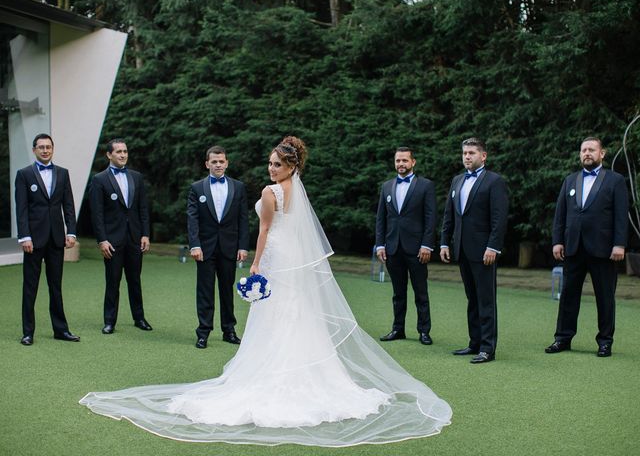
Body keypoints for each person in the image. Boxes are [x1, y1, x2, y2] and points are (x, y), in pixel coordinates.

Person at [79, 136, 452, 446]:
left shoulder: (271, 192)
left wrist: (256, 264)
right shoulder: (296, 191)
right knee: (294, 312)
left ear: (291, 167)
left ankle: (275, 373)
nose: (272, 169)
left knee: (279, 313)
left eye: (278, 164)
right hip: (293, 258)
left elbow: (265, 231)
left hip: (275, 257)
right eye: (271, 163)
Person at [545, 137, 629, 357]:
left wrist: (619, 244)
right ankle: (562, 338)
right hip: (573, 248)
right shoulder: (570, 180)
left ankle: (605, 341)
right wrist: (557, 241)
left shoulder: (615, 180)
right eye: (583, 150)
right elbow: (560, 215)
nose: (587, 153)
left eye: (592, 149)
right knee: (568, 296)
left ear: (602, 153)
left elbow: (621, 215)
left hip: (603, 249)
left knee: (605, 296)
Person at [440, 138, 508, 364]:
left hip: (484, 251)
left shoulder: (494, 181)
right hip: (461, 249)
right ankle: (474, 343)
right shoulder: (457, 180)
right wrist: (443, 242)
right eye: (464, 153)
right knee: (472, 298)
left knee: (486, 299)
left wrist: (493, 247)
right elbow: (449, 215)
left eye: (471, 153)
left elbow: (499, 219)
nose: (467, 157)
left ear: (483, 156)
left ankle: (488, 348)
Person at [15, 133, 80, 345]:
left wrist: (71, 232)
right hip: (33, 240)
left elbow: (68, 205)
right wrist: (24, 236)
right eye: (41, 147)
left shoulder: (62, 173)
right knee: (30, 287)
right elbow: (21, 209)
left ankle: (60, 330)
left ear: (53, 149)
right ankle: (28, 333)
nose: (45, 150)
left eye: (48, 147)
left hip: (56, 240)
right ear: (34, 150)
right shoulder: (24, 174)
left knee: (56, 286)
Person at [187, 146, 249, 348]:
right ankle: (203, 332)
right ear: (207, 164)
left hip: (229, 247)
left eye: (221, 161)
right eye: (214, 161)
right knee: (204, 290)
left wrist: (243, 246)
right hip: (204, 248)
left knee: (226, 290)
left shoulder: (238, 187)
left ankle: (229, 330)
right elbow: (192, 219)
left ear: (227, 163)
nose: (218, 165)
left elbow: (243, 219)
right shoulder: (197, 188)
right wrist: (194, 244)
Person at [375, 147, 437, 345]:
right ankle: (398, 329)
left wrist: (427, 245)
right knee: (398, 293)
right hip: (393, 248)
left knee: (421, 292)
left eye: (404, 160)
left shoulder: (425, 186)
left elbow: (430, 218)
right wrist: (380, 245)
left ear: (413, 162)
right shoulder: (386, 186)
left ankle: (424, 331)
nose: (401, 164)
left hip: (418, 249)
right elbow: (381, 219)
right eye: (398, 161)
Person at [90, 139, 152, 334]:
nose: (123, 155)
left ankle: (139, 318)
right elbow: (97, 213)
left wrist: (145, 234)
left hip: (135, 237)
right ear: (109, 155)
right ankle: (110, 321)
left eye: (125, 151)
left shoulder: (136, 177)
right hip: (112, 240)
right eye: (118, 152)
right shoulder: (99, 179)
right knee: (113, 281)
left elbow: (143, 208)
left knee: (135, 280)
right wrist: (102, 239)